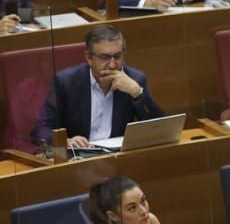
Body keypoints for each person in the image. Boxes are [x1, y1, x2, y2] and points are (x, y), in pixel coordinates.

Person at [37, 25, 165, 149]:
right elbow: (41, 129)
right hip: (80, 157)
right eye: (105, 57)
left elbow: (160, 129)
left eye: (117, 56)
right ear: (89, 58)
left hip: (118, 158)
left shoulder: (135, 80)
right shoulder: (66, 82)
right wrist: (66, 142)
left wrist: (137, 93)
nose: (112, 65)